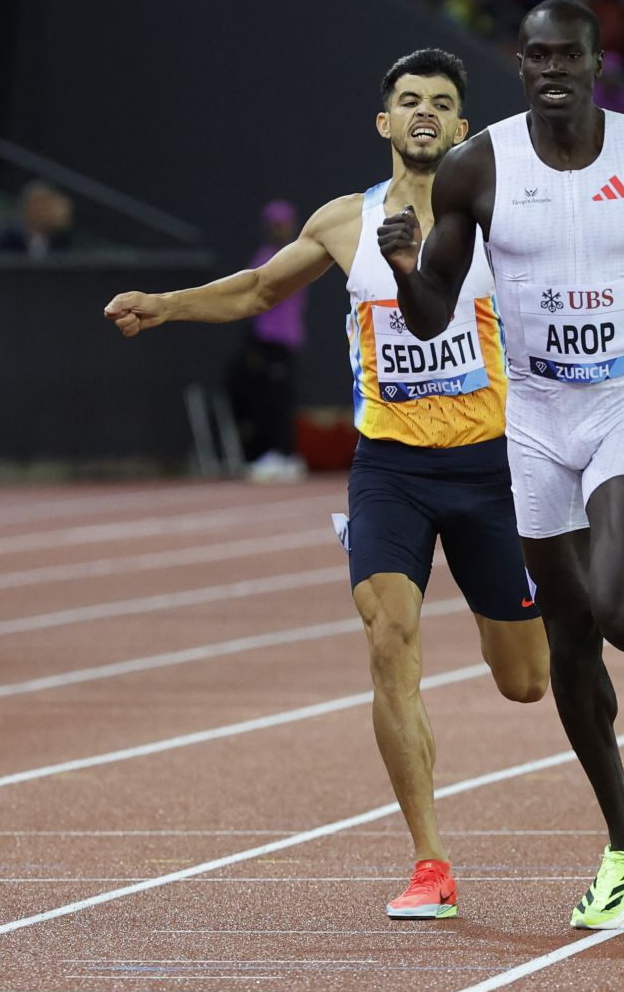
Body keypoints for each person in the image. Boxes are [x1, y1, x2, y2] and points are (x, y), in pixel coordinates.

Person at [104, 48, 549, 920]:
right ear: (384, 123)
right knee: (389, 640)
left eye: (442, 104)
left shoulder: (500, 222)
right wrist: (170, 302)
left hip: (491, 467)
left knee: (525, 682)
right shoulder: (346, 222)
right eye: (409, 101)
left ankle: (540, 611)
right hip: (390, 467)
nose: (425, 113)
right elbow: (260, 288)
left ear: (463, 129)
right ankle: (430, 861)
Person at [379, 0, 624, 930]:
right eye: (536, 55)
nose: (553, 69)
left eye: (568, 55)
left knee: (621, 614)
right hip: (536, 415)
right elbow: (429, 311)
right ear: (519, 63)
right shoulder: (480, 165)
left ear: (595, 62)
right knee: (571, 639)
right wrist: (402, 264)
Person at [229, 199, 309, 481]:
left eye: (284, 224)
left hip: (287, 342)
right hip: (267, 341)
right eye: (275, 225)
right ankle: (271, 454)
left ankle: (284, 454)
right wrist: (252, 344)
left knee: (284, 401)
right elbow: (250, 299)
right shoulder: (265, 258)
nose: (280, 230)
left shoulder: (299, 254)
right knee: (266, 401)